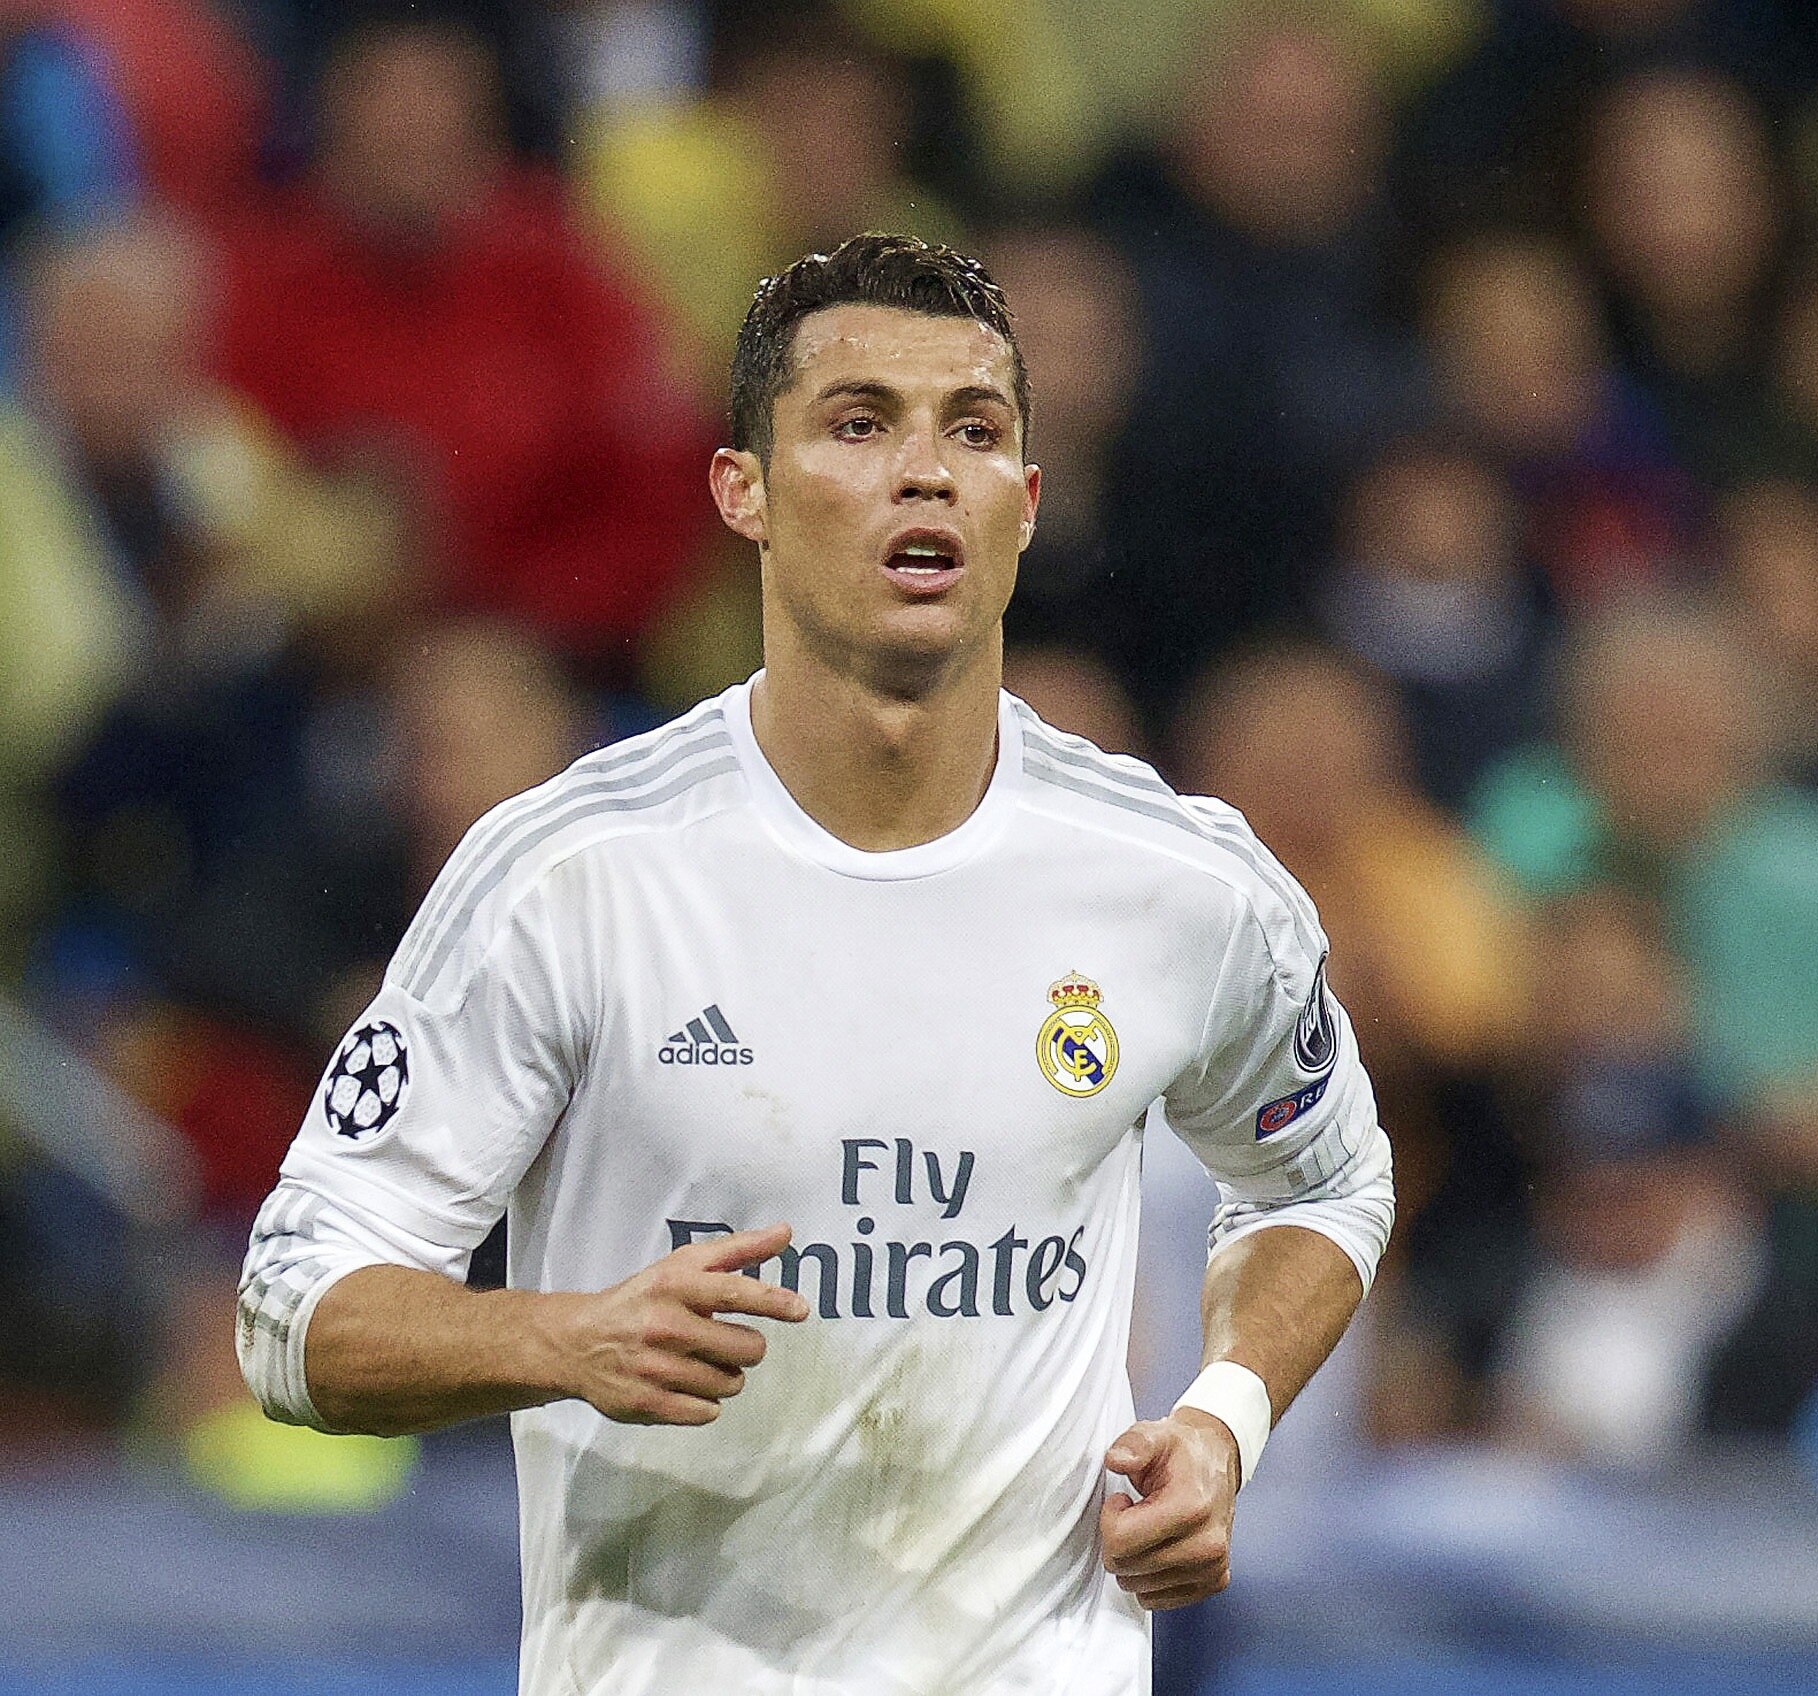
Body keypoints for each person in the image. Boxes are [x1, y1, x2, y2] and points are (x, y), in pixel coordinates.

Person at [234, 234, 1395, 1693]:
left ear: (1027, 503)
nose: (926, 474)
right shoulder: (573, 879)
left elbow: (1324, 1181)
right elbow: (292, 1309)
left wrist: (1225, 1417)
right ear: (745, 491)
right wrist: (561, 1340)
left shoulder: (1181, 884)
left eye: (973, 431)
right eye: (859, 425)